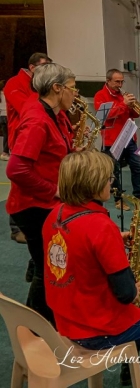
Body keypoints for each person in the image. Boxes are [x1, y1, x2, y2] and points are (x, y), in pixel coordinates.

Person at [43, 150, 140, 386]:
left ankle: (129, 370)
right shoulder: (101, 226)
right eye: (109, 179)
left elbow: (77, 244)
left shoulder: (54, 215)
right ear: (93, 184)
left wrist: (114, 238)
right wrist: (132, 288)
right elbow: (126, 294)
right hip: (97, 329)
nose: (111, 183)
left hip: (65, 319)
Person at [5, 63, 76, 323]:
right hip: (33, 206)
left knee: (47, 264)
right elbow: (16, 169)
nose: (75, 94)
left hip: (44, 202)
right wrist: (54, 190)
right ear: (57, 88)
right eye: (72, 88)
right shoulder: (37, 119)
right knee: (47, 269)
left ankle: (42, 323)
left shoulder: (54, 113)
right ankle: (34, 330)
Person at [94, 69, 140, 210]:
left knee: (137, 167)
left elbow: (135, 115)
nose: (120, 85)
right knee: (115, 171)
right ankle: (118, 199)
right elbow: (106, 115)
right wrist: (124, 104)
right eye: (117, 82)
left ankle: (138, 196)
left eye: (122, 82)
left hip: (129, 137)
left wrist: (132, 106)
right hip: (112, 139)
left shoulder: (123, 95)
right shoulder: (100, 96)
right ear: (108, 81)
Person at [4, 52, 52, 150]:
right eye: (44, 66)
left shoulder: (40, 84)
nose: (47, 71)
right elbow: (26, 110)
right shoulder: (14, 83)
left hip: (41, 136)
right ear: (32, 67)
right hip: (22, 138)